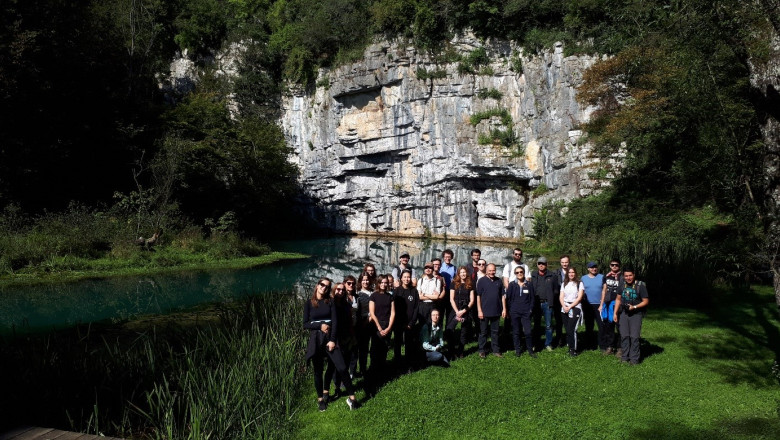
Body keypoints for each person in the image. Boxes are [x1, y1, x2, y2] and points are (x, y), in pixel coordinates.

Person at [303, 278, 358, 411]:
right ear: (317, 286)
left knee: (342, 367)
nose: (324, 288)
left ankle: (352, 398)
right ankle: (321, 399)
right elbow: (305, 324)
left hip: (330, 338)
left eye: (327, 286)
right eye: (322, 285)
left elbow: (335, 322)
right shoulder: (309, 303)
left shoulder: (330, 302)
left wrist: (332, 340)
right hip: (316, 339)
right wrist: (319, 325)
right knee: (318, 370)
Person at [614, 267, 649, 365]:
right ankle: (625, 357)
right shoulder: (622, 285)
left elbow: (646, 301)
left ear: (634, 275)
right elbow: (618, 299)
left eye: (630, 275)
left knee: (634, 337)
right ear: (623, 276)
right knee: (624, 336)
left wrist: (634, 307)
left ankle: (634, 359)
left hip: (636, 314)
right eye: (626, 276)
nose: (628, 278)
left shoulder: (640, 286)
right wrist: (615, 313)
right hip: (624, 313)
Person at [368, 275, 395, 392]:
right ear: (378, 283)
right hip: (376, 325)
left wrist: (389, 327)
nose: (384, 285)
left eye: (386, 283)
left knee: (384, 349)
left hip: (387, 325)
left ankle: (382, 372)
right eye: (382, 283)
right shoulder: (373, 296)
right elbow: (372, 313)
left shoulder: (390, 297)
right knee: (375, 349)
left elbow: (393, 313)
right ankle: (373, 373)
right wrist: (379, 327)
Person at [329, 282, 357, 396]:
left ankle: (341, 383)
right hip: (336, 337)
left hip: (346, 335)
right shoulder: (331, 303)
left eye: (342, 290)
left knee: (345, 360)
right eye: (338, 290)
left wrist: (351, 334)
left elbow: (350, 320)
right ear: (334, 290)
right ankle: (337, 385)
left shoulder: (346, 304)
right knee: (337, 363)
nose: (340, 292)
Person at [504, 266, 536, 358]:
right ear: (515, 274)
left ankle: (530, 350)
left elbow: (532, 299)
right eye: (517, 272)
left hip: (526, 312)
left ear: (524, 272)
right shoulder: (512, 285)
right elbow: (508, 299)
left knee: (528, 332)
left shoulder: (529, 284)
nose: (519, 274)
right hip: (515, 312)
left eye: (521, 272)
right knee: (516, 332)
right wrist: (510, 310)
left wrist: (530, 310)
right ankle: (518, 350)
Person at [531, 257, 560, 352]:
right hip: (536, 303)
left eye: (543, 263)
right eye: (539, 263)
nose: (541, 265)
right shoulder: (533, 275)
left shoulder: (552, 275)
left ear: (546, 264)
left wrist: (551, 299)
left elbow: (556, 290)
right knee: (536, 325)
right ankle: (535, 343)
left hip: (547, 303)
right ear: (537, 264)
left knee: (548, 325)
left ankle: (548, 343)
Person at [393, 270, 420, 372]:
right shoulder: (396, 291)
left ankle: (409, 365)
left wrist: (411, 323)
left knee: (409, 344)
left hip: (409, 323)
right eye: (404, 277)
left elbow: (416, 308)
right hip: (398, 323)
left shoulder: (414, 291)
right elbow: (393, 307)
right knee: (397, 343)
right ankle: (397, 364)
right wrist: (397, 322)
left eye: (408, 277)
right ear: (401, 278)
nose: (406, 279)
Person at [477, 263, 505, 358]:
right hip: (484, 312)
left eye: (493, 270)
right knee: (483, 332)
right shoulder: (481, 281)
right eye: (490, 270)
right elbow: (478, 297)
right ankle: (482, 350)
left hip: (496, 311)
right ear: (486, 270)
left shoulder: (499, 281)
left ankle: (496, 350)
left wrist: (504, 309)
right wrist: (479, 310)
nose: (492, 272)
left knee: (495, 332)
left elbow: (502, 296)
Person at [446, 266, 475, 358]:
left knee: (464, 332)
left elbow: (472, 300)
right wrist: (457, 312)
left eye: (464, 272)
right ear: (458, 274)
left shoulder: (470, 284)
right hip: (455, 309)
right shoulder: (454, 283)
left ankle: (461, 351)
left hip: (465, 309)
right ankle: (451, 350)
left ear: (467, 273)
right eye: (461, 272)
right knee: (450, 329)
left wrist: (463, 311)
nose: (463, 274)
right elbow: (451, 299)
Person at [560, 267, 584, 357]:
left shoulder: (579, 283)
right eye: (569, 272)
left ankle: (573, 350)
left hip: (575, 307)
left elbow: (579, 297)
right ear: (567, 274)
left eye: (573, 272)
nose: (571, 274)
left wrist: (570, 306)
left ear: (575, 273)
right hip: (565, 308)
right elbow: (561, 297)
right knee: (567, 329)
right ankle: (570, 347)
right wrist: (564, 306)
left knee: (572, 329)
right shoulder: (564, 284)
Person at [581, 262, 605, 350]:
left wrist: (602, 304)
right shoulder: (583, 278)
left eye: (595, 267)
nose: (593, 269)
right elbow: (581, 291)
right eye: (591, 267)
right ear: (588, 268)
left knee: (601, 326)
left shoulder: (602, 277)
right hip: (588, 305)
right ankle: (589, 345)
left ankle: (602, 345)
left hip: (599, 305)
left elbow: (604, 290)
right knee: (589, 325)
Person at [601, 259, 623, 355]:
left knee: (619, 327)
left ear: (619, 266)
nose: (614, 266)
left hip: (617, 304)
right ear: (610, 266)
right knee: (609, 326)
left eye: (616, 265)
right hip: (607, 303)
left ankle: (620, 348)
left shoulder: (622, 277)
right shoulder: (606, 276)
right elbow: (604, 290)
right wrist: (601, 304)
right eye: (612, 265)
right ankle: (610, 346)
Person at [355, 273, 374, 377]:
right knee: (362, 347)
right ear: (360, 281)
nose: (365, 282)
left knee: (370, 347)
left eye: (367, 280)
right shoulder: (358, 294)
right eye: (363, 280)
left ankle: (369, 367)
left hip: (373, 323)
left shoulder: (373, 293)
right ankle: (361, 369)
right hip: (362, 323)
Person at [342, 275, 360, 376]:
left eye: (353, 284)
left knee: (354, 351)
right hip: (344, 329)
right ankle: (343, 375)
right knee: (345, 352)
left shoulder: (356, 297)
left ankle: (352, 373)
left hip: (355, 328)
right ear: (345, 284)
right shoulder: (342, 297)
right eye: (349, 283)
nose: (351, 285)